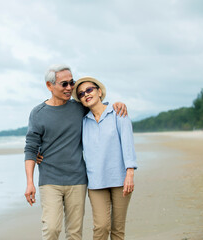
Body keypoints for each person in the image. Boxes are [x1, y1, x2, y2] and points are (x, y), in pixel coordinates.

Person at [24, 64, 127, 240]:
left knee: (74, 233)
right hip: (50, 181)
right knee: (51, 229)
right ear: (50, 86)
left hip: (77, 180)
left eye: (71, 83)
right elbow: (31, 147)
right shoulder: (38, 113)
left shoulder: (79, 108)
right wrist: (29, 182)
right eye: (64, 84)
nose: (70, 88)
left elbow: (98, 106)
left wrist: (118, 104)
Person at [71, 76, 137, 240]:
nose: (85, 94)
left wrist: (130, 173)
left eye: (89, 90)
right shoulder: (83, 122)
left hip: (120, 179)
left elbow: (127, 144)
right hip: (96, 181)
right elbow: (67, 142)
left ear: (99, 92)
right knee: (101, 227)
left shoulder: (119, 113)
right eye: (81, 94)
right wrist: (41, 152)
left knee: (117, 229)